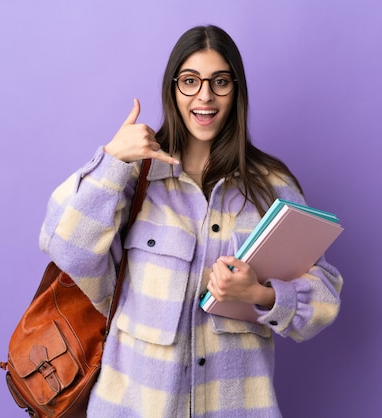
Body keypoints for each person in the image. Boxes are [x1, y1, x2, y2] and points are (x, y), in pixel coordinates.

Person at [40, 24, 342, 418]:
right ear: (172, 90)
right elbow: (67, 248)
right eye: (190, 81)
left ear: (236, 92)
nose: (205, 95)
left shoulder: (271, 186)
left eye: (220, 82)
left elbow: (324, 298)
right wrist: (112, 159)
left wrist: (260, 295)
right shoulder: (132, 175)